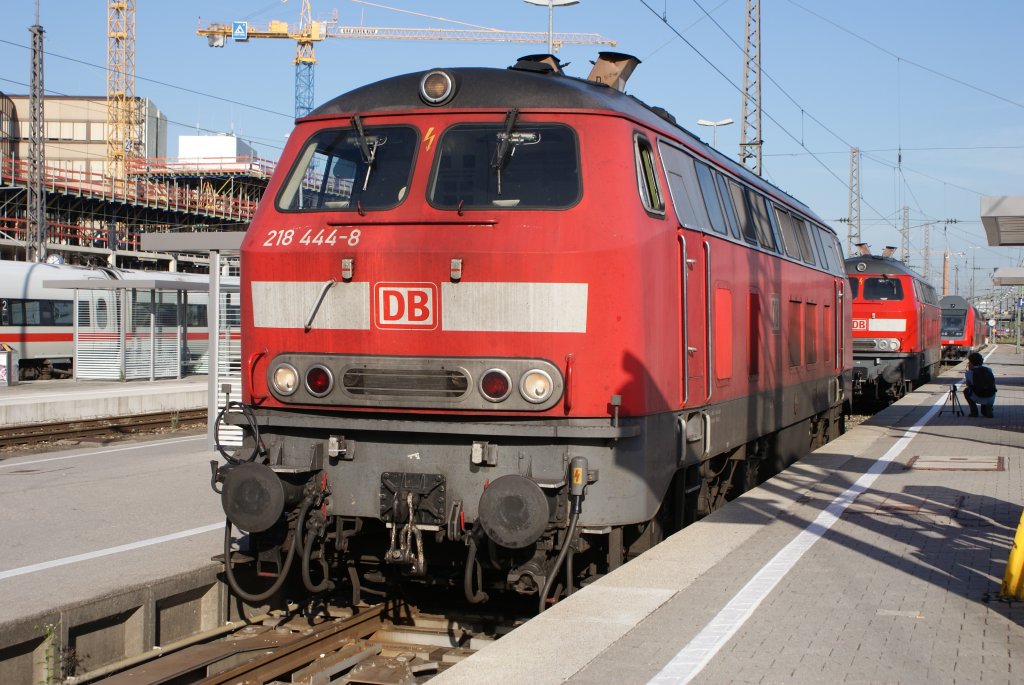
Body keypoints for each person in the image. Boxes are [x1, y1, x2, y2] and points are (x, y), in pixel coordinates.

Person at [962, 352, 996, 418]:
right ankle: (988, 408)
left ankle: (974, 412)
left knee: (966, 391)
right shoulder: (989, 370)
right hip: (991, 396)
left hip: (978, 395)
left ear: (971, 363)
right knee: (984, 413)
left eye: (969, 362)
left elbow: (969, 385)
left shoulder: (969, 373)